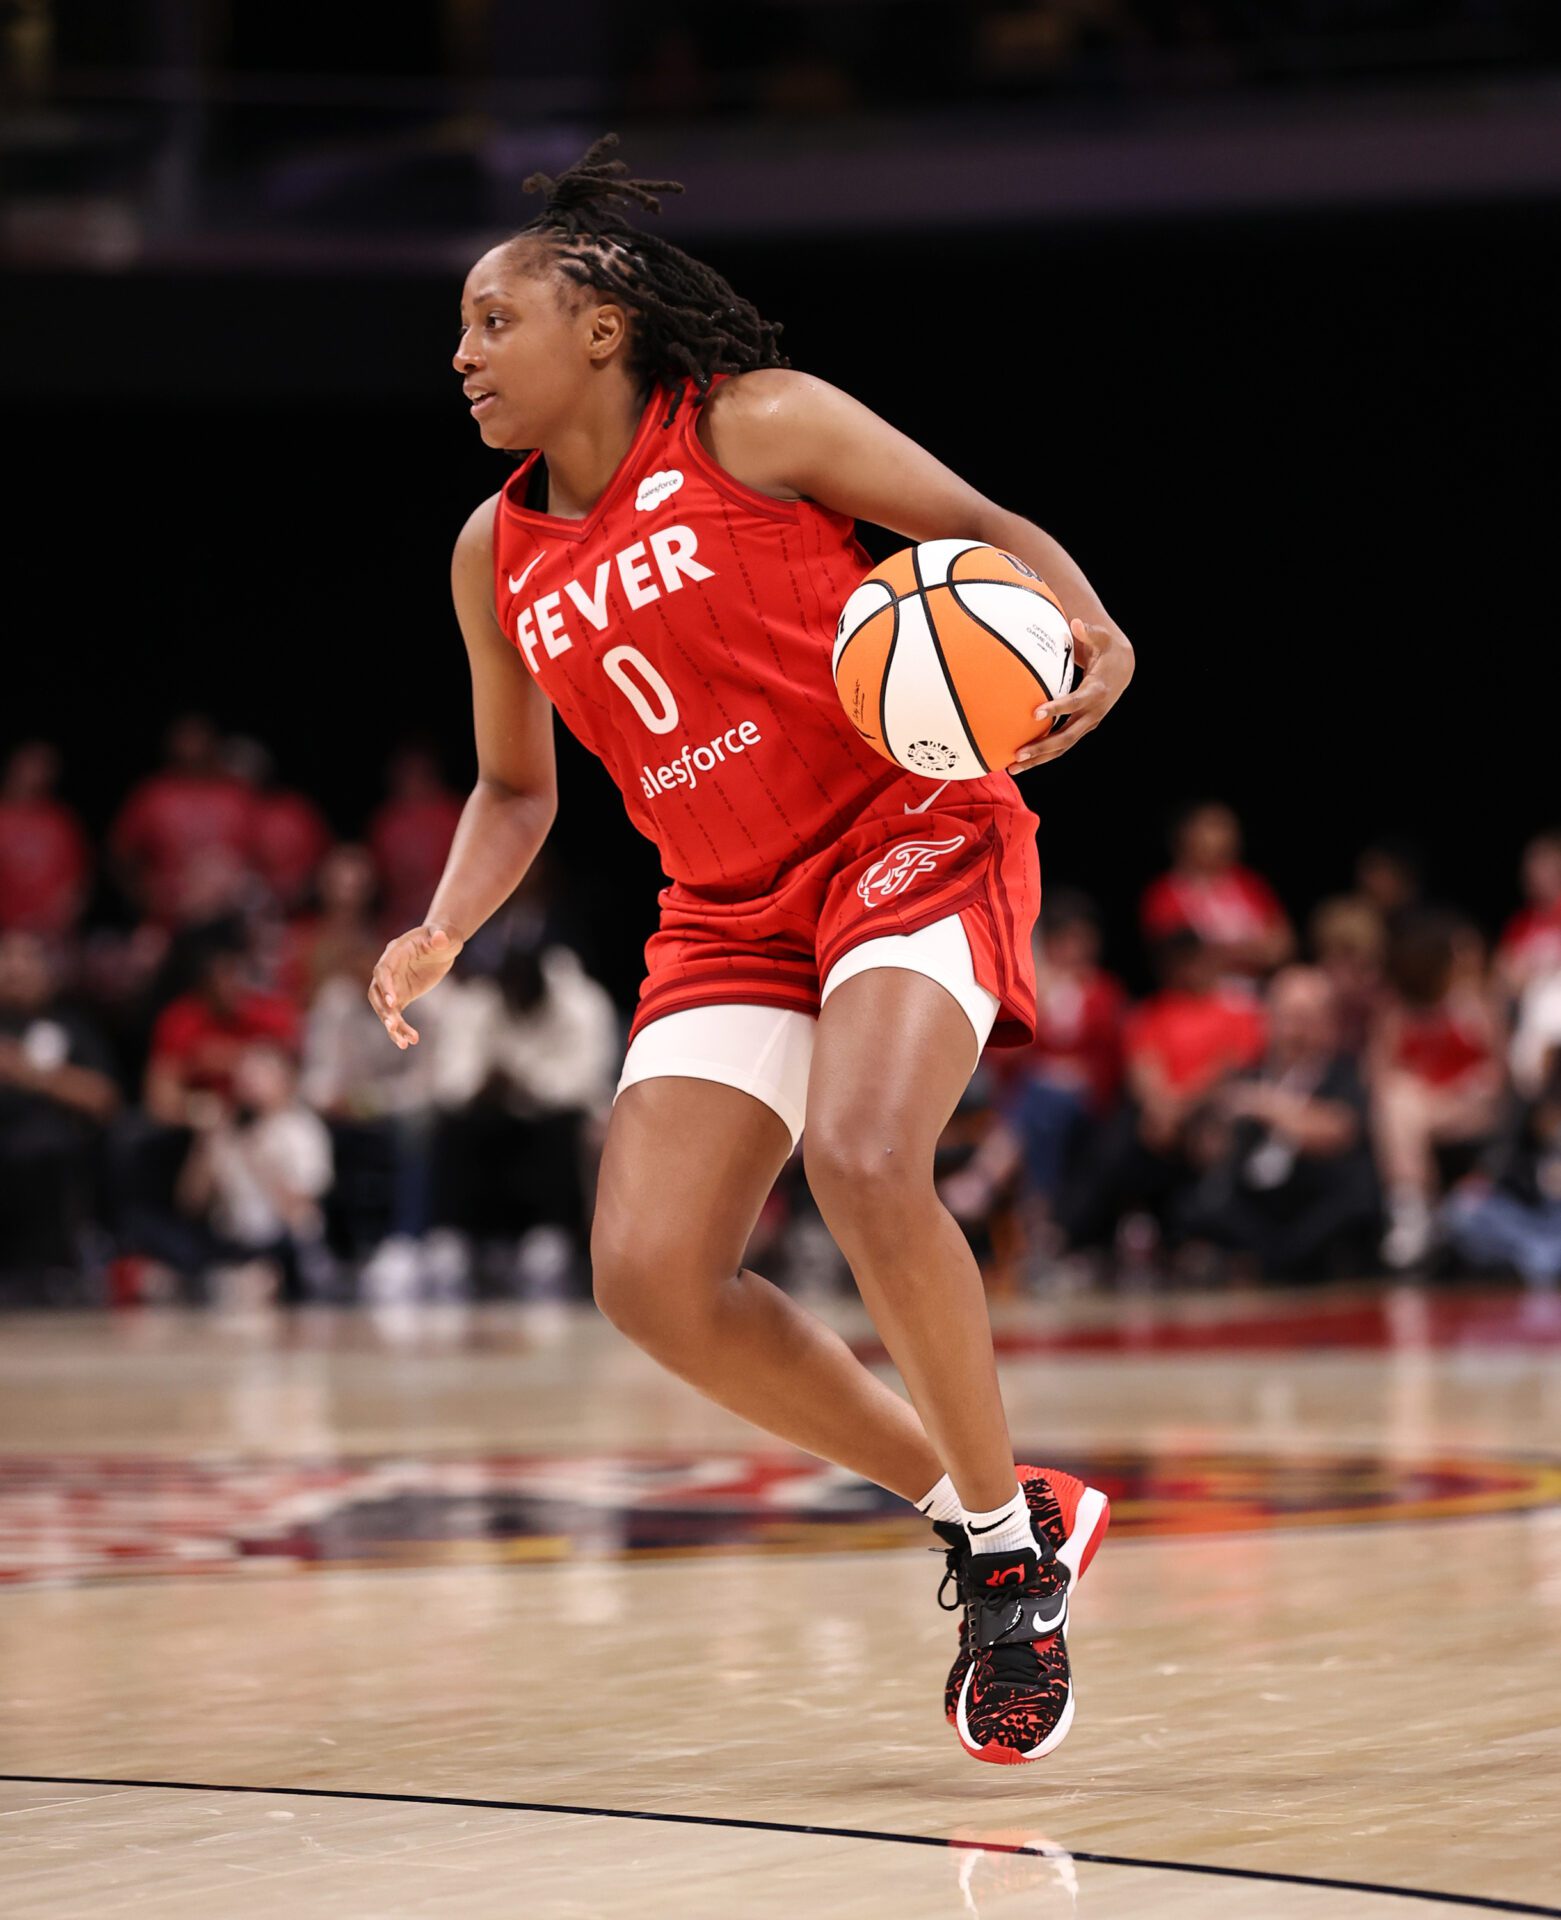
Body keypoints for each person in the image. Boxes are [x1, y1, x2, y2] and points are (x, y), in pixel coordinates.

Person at [366, 137, 1132, 1764]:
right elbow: (517, 785)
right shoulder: (491, 554)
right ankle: (1002, 1505)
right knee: (649, 1277)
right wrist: (441, 925)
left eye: (493, 317)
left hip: (905, 829)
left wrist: (1094, 627)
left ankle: (1007, 1573)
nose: (463, 351)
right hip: (724, 907)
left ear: (600, 325)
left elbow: (983, 523)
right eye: (459, 326)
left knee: (866, 1155)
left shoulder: (754, 424)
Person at [1183, 967, 1379, 1281]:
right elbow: (1208, 1147)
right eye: (1286, 1017)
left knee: (1353, 1198)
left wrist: (1266, 1105)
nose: (1294, 1031)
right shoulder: (1249, 1074)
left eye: (1306, 1019)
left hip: (1313, 1199)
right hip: (1258, 1202)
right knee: (1198, 1204)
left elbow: (1340, 1129)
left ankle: (1275, 1263)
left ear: (1329, 1024)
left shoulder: (1344, 1073)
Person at [1139, 800, 1293, 988]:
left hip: (1258, 990)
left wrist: (1217, 951)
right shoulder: (1164, 893)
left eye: (1230, 828)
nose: (1227, 836)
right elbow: (1182, 964)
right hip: (1198, 999)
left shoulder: (1250, 883)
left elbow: (1281, 949)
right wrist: (1253, 948)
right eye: (1215, 827)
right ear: (1185, 835)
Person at [0, 742, 92, 938]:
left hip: (51, 938)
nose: (39, 774)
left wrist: (54, 922)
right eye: (32, 765)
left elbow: (77, 885)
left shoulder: (61, 821)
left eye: (47, 768)